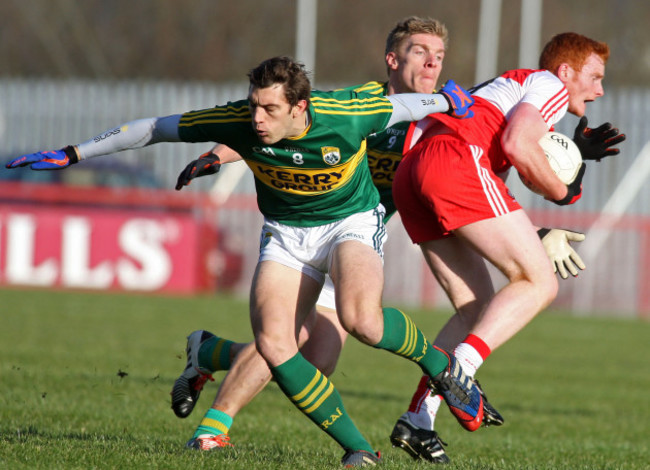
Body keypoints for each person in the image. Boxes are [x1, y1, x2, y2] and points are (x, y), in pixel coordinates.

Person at [168, 18, 624, 464]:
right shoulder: (358, 107)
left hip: (358, 241)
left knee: (318, 359)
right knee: (280, 344)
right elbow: (275, 122)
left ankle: (211, 352)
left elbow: (472, 191)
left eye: (439, 56)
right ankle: (213, 431)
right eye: (420, 53)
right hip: (317, 229)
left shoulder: (438, 112)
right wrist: (217, 154)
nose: (432, 64)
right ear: (392, 59)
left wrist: (534, 224)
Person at [6, 55, 485, 467]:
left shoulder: (348, 112)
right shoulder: (239, 119)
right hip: (285, 235)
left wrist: (450, 99)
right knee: (276, 347)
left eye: (270, 109)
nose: (257, 118)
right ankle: (359, 451)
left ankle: (441, 367)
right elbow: (152, 129)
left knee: (362, 321)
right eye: (254, 105)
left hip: (350, 225)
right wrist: (74, 152)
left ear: (300, 107)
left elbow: (409, 103)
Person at [391, 31, 625, 462]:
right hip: (455, 161)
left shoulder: (511, 87)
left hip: (414, 172)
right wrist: (564, 190)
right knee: (540, 284)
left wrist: (571, 155)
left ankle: (418, 420)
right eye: (594, 77)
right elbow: (518, 144)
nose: (599, 90)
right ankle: (459, 374)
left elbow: (493, 172)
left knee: (477, 310)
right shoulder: (550, 84)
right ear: (566, 71)